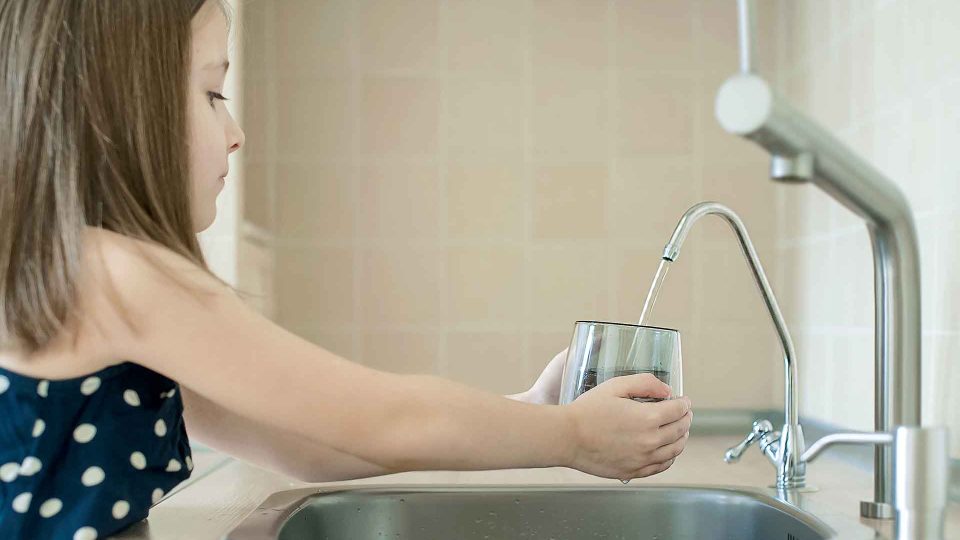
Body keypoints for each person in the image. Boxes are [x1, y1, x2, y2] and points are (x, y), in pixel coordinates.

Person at [0, 1, 693, 538]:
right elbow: (385, 418)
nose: (235, 131)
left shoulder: (82, 278)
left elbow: (310, 443)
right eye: (213, 94)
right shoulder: (117, 276)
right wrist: (571, 438)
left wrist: (534, 411)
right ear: (123, 108)